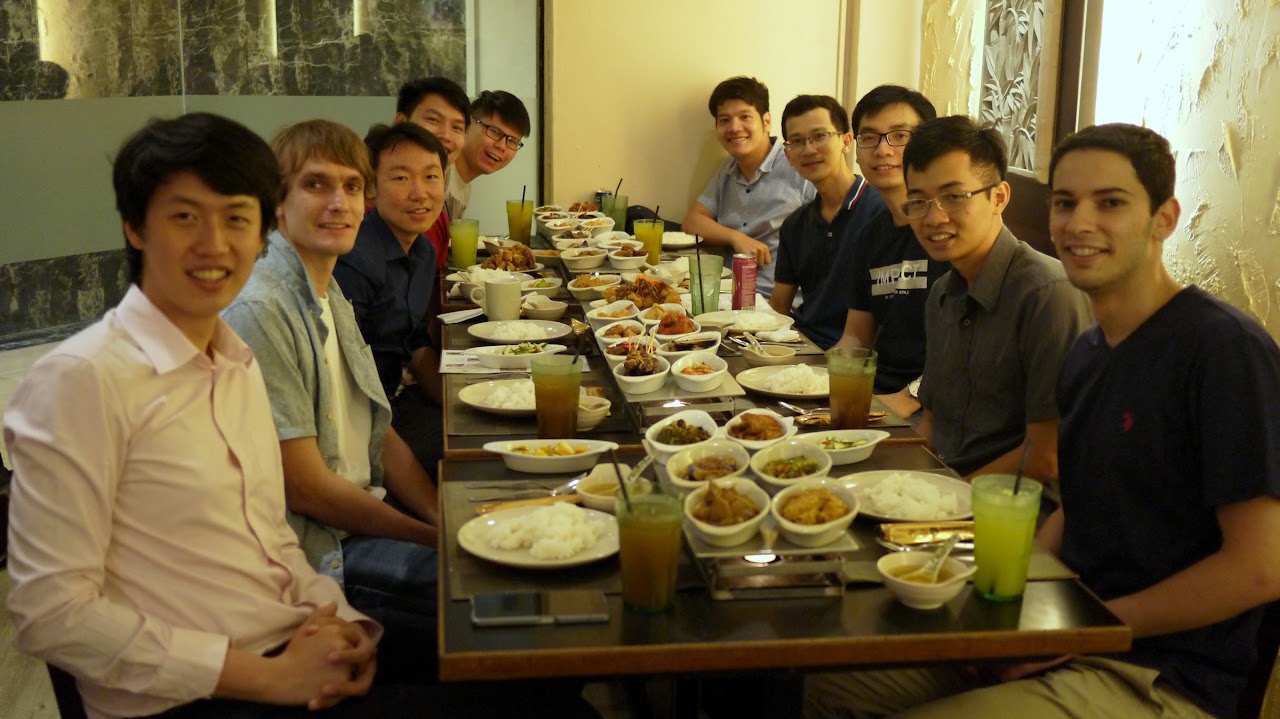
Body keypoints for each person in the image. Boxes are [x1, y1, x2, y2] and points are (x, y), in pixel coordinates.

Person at [806, 123, 1280, 719]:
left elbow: (1261, 568)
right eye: (1064, 203)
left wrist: (1076, 631)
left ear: (1164, 218)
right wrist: (1009, 608)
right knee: (831, 685)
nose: (1080, 223)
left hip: (1158, 671)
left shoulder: (1221, 349)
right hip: (1064, 620)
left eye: (1110, 203)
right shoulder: (1089, 353)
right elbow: (1072, 507)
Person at [4, 112, 429, 718]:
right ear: (135, 227)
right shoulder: (83, 381)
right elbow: (50, 613)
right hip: (194, 696)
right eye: (184, 217)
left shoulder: (233, 361)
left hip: (289, 641)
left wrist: (341, 622)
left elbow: (273, 538)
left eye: (235, 218)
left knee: (530, 653)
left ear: (262, 231)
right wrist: (268, 678)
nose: (214, 243)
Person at [222, 120, 442, 651]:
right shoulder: (262, 308)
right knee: (503, 597)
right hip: (321, 557)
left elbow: (379, 432)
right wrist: (435, 536)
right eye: (315, 185)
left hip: (361, 518)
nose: (339, 202)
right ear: (275, 202)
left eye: (349, 186)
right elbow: (308, 490)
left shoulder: (325, 287)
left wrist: (442, 512)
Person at [904, 116, 1091, 480]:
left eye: (953, 197)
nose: (933, 217)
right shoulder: (942, 294)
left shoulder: (1048, 295)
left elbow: (1047, 457)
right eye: (918, 201)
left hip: (1016, 511)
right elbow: (931, 421)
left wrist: (944, 497)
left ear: (999, 197)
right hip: (945, 491)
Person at [332, 123, 447, 478]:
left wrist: (457, 405)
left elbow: (415, 344)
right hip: (363, 425)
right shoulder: (354, 261)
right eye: (400, 179)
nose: (420, 193)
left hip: (394, 403)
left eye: (431, 177)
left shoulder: (424, 252)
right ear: (371, 189)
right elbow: (348, 392)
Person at [832, 85, 948, 421]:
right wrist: (826, 376)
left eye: (899, 136)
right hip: (878, 391)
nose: (882, 150)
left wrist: (911, 395)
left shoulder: (947, 230)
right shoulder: (869, 234)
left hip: (932, 401)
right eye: (869, 137)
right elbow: (856, 333)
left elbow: (980, 351)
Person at [682, 75, 814, 299]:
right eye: (724, 120)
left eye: (745, 116)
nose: (734, 127)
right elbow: (692, 222)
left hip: (776, 303)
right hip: (728, 293)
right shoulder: (727, 169)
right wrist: (736, 237)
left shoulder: (798, 165)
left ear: (766, 121)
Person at [768, 94, 883, 348]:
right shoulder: (795, 225)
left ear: (846, 141)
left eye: (819, 136)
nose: (808, 149)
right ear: (787, 154)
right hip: (801, 345)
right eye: (797, 141)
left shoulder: (881, 213)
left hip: (853, 355)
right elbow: (778, 308)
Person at [394, 76, 471, 273]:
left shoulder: (438, 214)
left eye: (457, 128)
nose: (445, 136)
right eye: (433, 120)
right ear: (401, 122)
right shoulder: (368, 200)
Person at [446, 89, 530, 220]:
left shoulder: (463, 186)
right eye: (495, 131)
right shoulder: (440, 176)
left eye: (512, 141)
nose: (501, 146)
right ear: (467, 124)